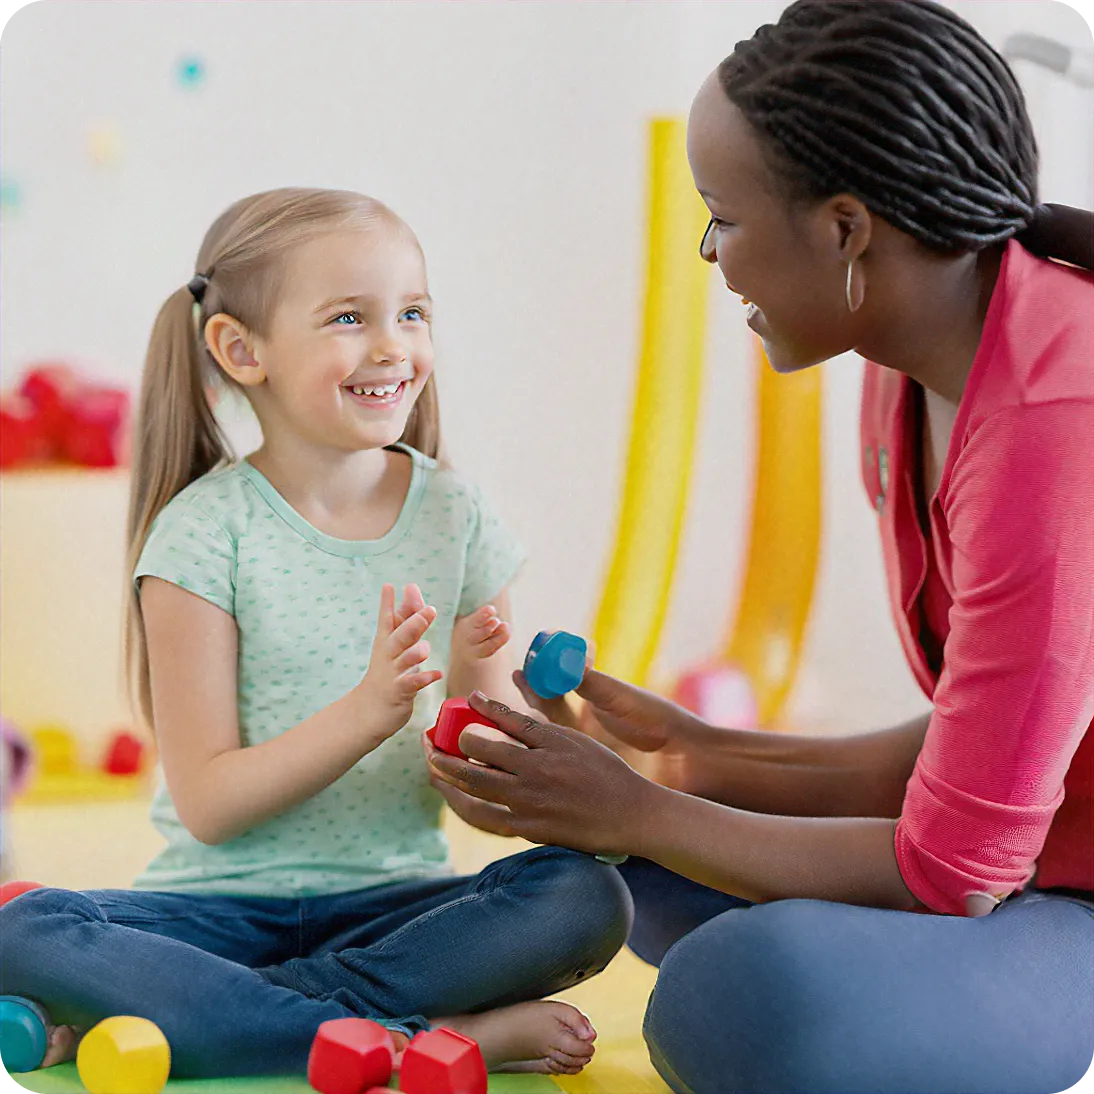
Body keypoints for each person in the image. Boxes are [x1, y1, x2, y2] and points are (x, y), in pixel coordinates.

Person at [424, 3, 1094, 1092]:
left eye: (722, 219)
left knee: (738, 989)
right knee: (650, 871)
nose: (710, 253)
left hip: (1044, 893)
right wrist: (699, 757)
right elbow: (1000, 740)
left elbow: (957, 866)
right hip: (1032, 865)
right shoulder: (911, 355)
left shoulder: (1055, 418)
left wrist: (636, 801)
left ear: (843, 231)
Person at [0, 188, 631, 1080]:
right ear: (240, 350)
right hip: (217, 917)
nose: (393, 346)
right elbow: (211, 806)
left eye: (412, 313)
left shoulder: (454, 514)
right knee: (24, 929)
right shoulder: (202, 533)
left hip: (394, 914)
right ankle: (420, 1036)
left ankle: (219, 1018)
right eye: (348, 318)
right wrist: (368, 713)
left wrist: (500, 727)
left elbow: (474, 803)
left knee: (583, 894)